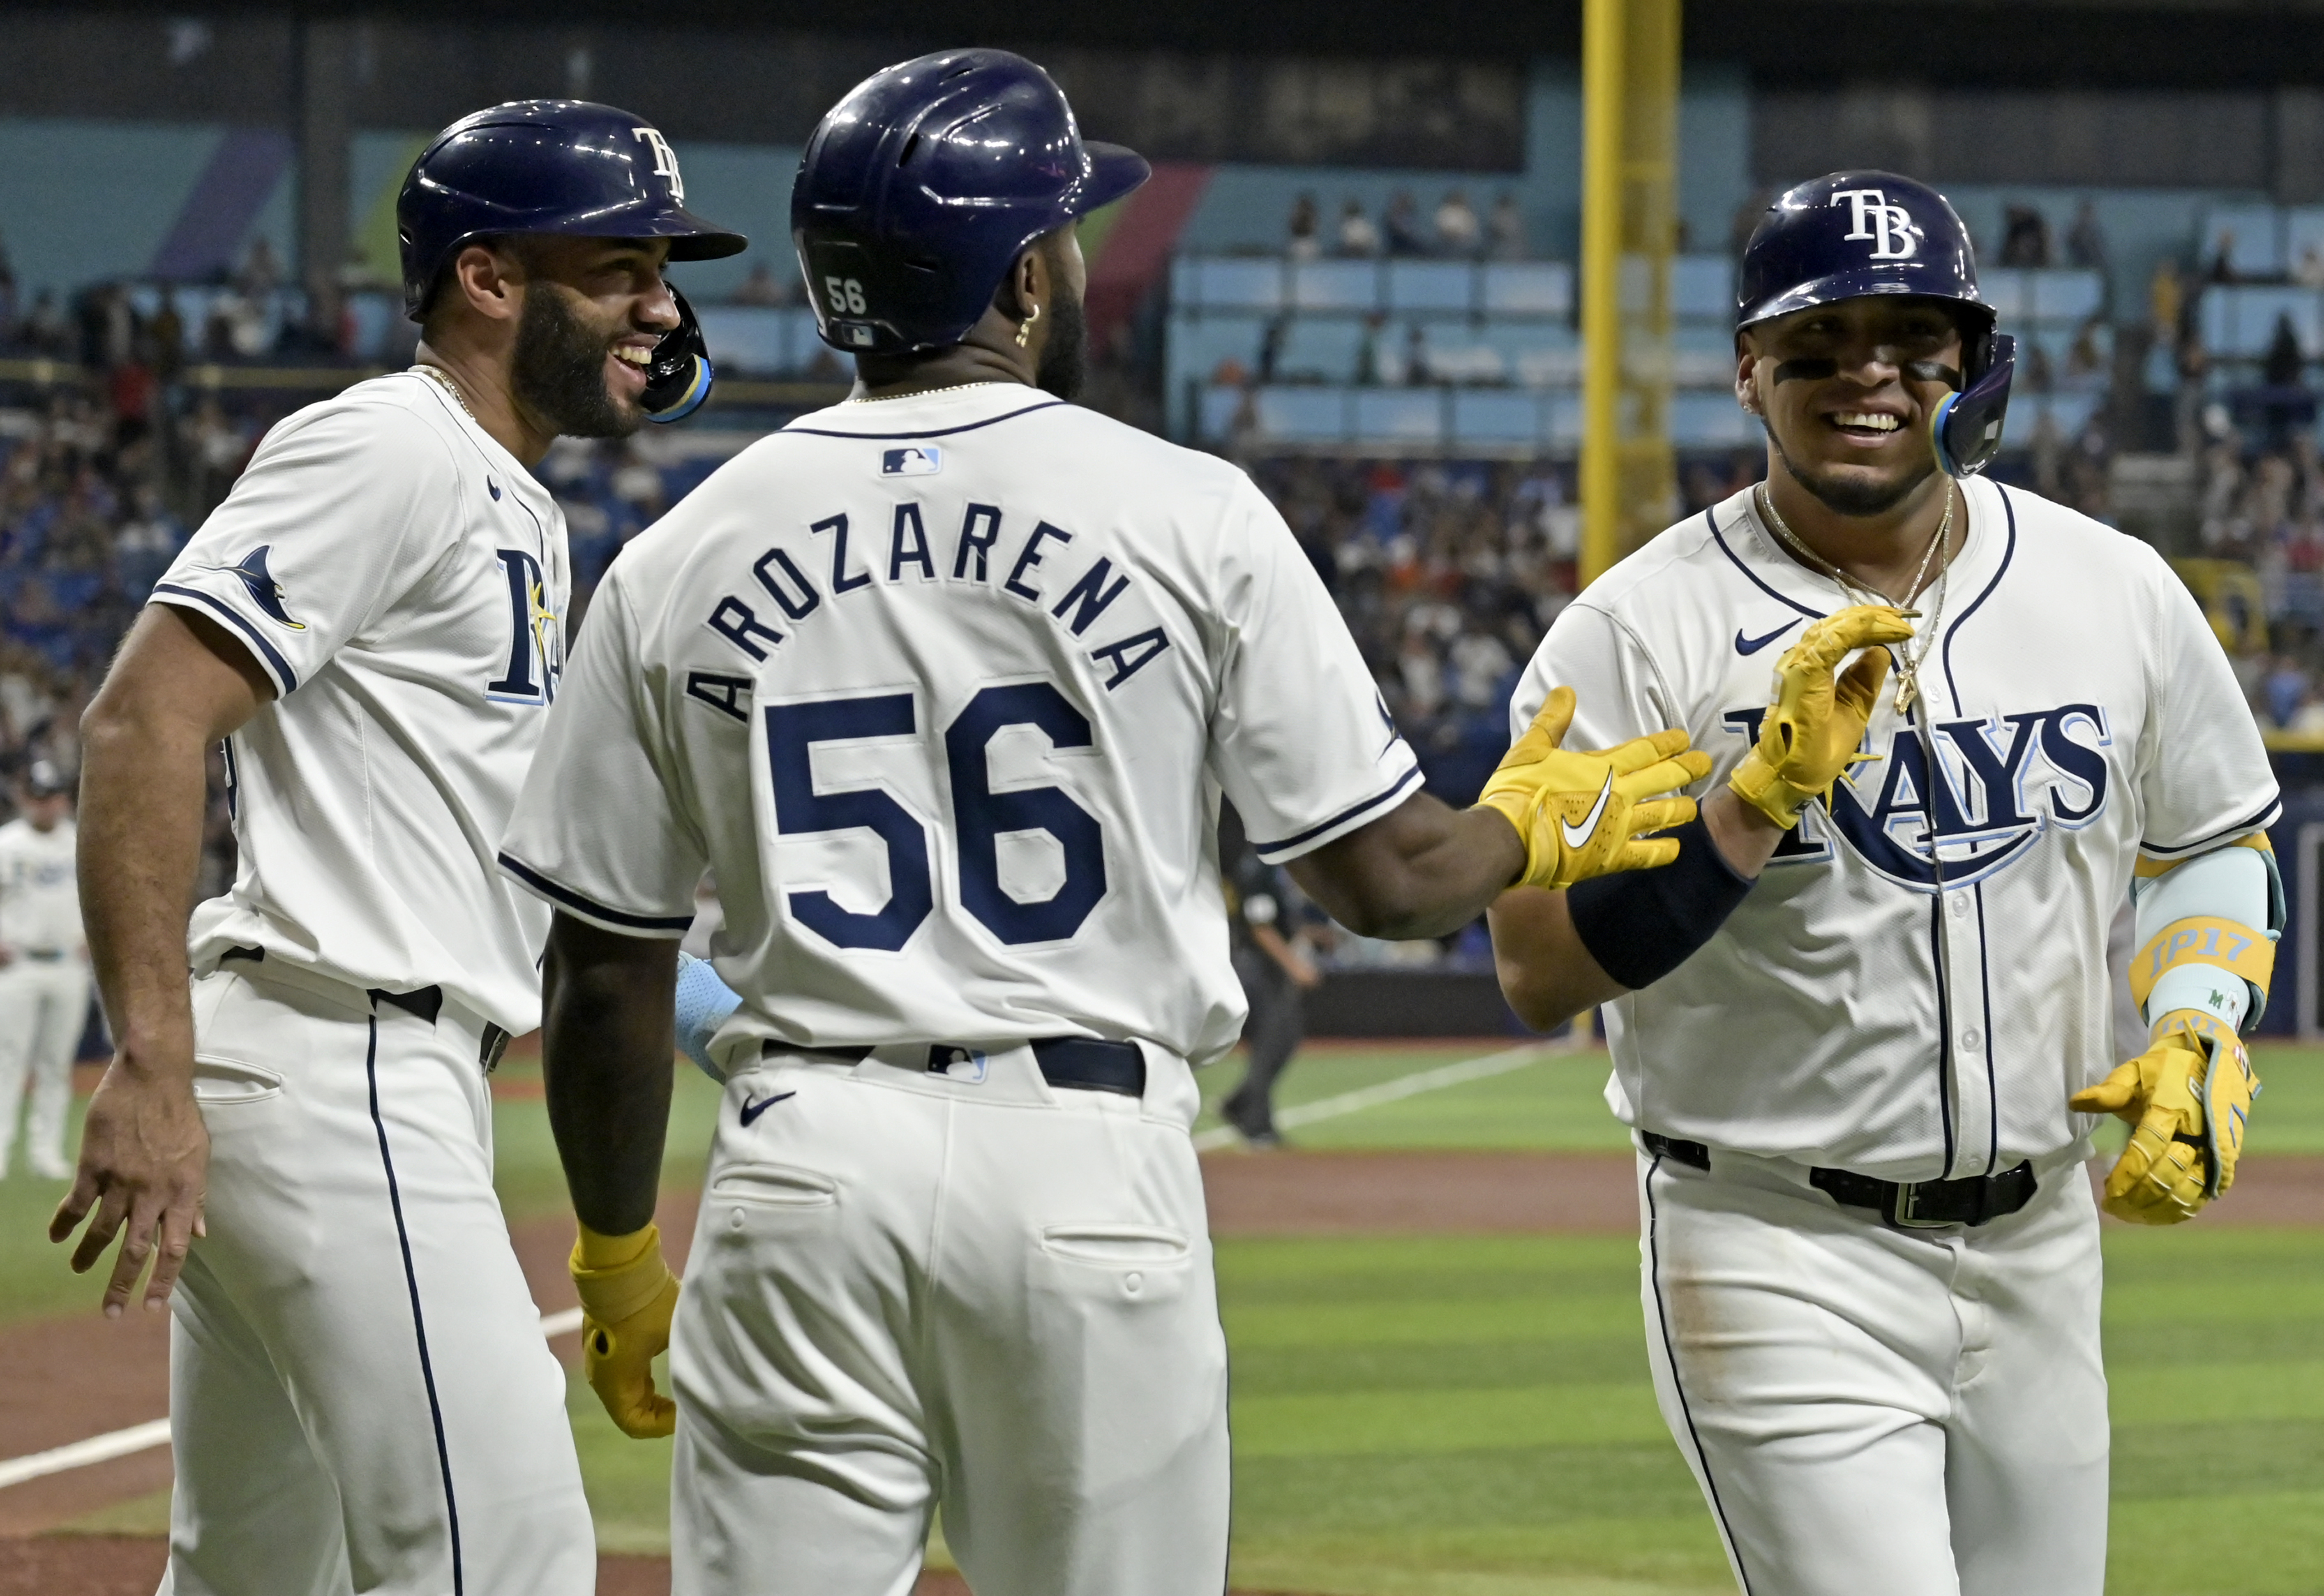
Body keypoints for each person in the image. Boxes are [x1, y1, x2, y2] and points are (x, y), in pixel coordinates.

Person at [499, 49, 1710, 1596]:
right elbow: (1389, 879)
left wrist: (614, 1259)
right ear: (1018, 279)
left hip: (800, 1169)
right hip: (1077, 1163)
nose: (1075, 261)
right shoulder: (1181, 508)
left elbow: (602, 971)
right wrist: (1534, 830)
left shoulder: (680, 550)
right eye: (1065, 236)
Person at [1487, 170, 2280, 1596]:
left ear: (1971, 367)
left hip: (2042, 1241)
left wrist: (2198, 1014)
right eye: (1817, 339)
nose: (1866, 374)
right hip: (1774, 1243)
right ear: (1747, 370)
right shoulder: (1637, 631)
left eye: (1911, 339)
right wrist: (1745, 802)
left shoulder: (2113, 588)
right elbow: (1537, 969)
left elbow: (2211, 835)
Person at [48, 99, 745, 1595]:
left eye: (662, 273)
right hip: (335, 1063)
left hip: (354, 1070)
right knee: (507, 1558)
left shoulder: (510, 495)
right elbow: (143, 721)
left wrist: (708, 1012)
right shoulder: (393, 444)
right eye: (619, 268)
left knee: (251, 1578)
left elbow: (479, 848)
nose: (660, 305)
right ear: (487, 280)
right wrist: (151, 1062)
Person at [0, 760, 86, 1181]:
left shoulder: (78, 841)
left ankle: (46, 1151)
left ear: (63, 799)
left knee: (56, 1062)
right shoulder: (7, 844)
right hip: (19, 964)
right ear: (24, 798)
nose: (46, 805)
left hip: (68, 962)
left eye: (52, 795)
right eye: (38, 796)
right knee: (6, 1060)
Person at [1218, 806, 1319, 1147]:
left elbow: (1274, 919)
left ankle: (1239, 1104)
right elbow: (1260, 927)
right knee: (1272, 1041)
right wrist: (1295, 965)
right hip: (1256, 965)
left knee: (1283, 1038)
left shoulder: (1271, 864)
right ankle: (1256, 1124)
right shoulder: (1257, 866)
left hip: (1264, 964)